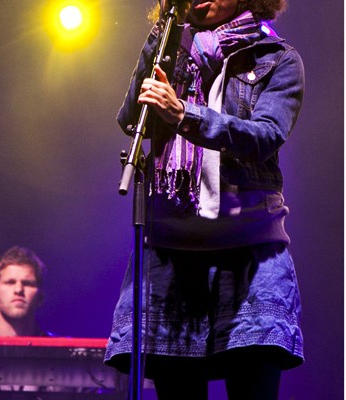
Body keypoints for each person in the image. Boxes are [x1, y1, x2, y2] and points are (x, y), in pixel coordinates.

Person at [104, 0, 304, 399]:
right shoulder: (169, 46)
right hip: (171, 256)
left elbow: (264, 137)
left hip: (249, 255)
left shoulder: (277, 58)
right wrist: (159, 40)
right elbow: (131, 118)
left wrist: (184, 115)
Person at [0, 245, 51, 337]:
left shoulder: (60, 350)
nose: (19, 290)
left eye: (27, 283)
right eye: (10, 282)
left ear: (40, 297)